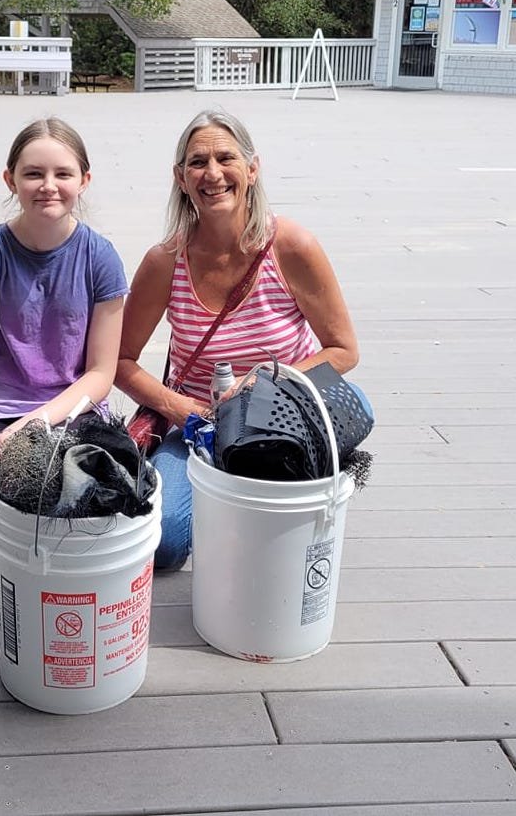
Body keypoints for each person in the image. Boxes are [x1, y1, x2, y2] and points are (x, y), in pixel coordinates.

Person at [115, 109, 359, 569]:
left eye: (226, 158)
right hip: (201, 424)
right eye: (197, 163)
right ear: (180, 178)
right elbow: (121, 360)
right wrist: (176, 406)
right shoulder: (166, 260)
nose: (212, 174)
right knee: (163, 547)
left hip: (282, 419)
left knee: (277, 539)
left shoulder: (291, 246)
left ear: (252, 168)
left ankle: (230, 513)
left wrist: (265, 379)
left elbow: (344, 350)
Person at [0, 117, 128, 581]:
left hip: (74, 408)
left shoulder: (101, 258)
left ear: (84, 180)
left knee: (88, 524)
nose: (48, 186)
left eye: (63, 174)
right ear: (10, 179)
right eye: (33, 173)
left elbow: (100, 374)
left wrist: (32, 427)